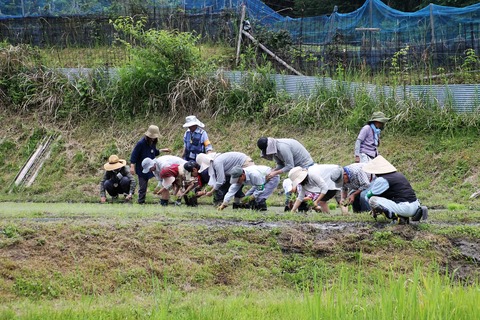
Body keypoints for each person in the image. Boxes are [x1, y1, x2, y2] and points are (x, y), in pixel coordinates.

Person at [362, 155, 428, 224]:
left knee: (372, 200)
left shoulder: (382, 179)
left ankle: (396, 217)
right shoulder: (399, 175)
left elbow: (368, 197)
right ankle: (408, 215)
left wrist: (375, 208)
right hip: (414, 205)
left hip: (404, 208)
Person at [257, 137, 314, 211]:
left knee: (299, 188)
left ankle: (302, 209)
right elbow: (280, 164)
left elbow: (290, 166)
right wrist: (273, 171)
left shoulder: (282, 147)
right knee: (292, 187)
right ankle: (294, 208)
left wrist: (275, 173)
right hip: (296, 168)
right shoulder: (275, 150)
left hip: (305, 166)